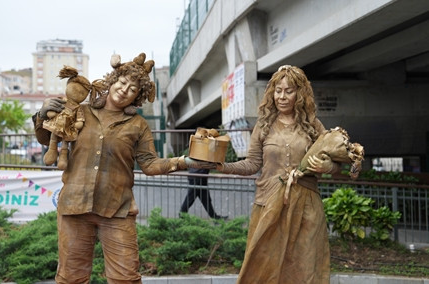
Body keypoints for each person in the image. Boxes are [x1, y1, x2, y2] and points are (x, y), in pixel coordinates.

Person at [32, 53, 213, 284]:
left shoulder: (138, 125)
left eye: (133, 89)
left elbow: (149, 164)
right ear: (112, 80)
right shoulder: (81, 112)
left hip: (117, 210)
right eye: (122, 82)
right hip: (75, 207)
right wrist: (41, 113)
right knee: (71, 278)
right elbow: (46, 139)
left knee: (126, 278)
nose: (125, 90)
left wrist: (183, 161)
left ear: (138, 96)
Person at [214, 65, 340, 284]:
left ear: (299, 94)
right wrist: (222, 166)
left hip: (307, 210)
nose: (282, 96)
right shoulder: (264, 125)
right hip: (268, 206)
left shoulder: (313, 126)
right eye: (278, 90)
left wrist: (326, 167)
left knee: (305, 270)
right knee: (265, 269)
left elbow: (338, 164)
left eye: (288, 91)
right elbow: (252, 164)